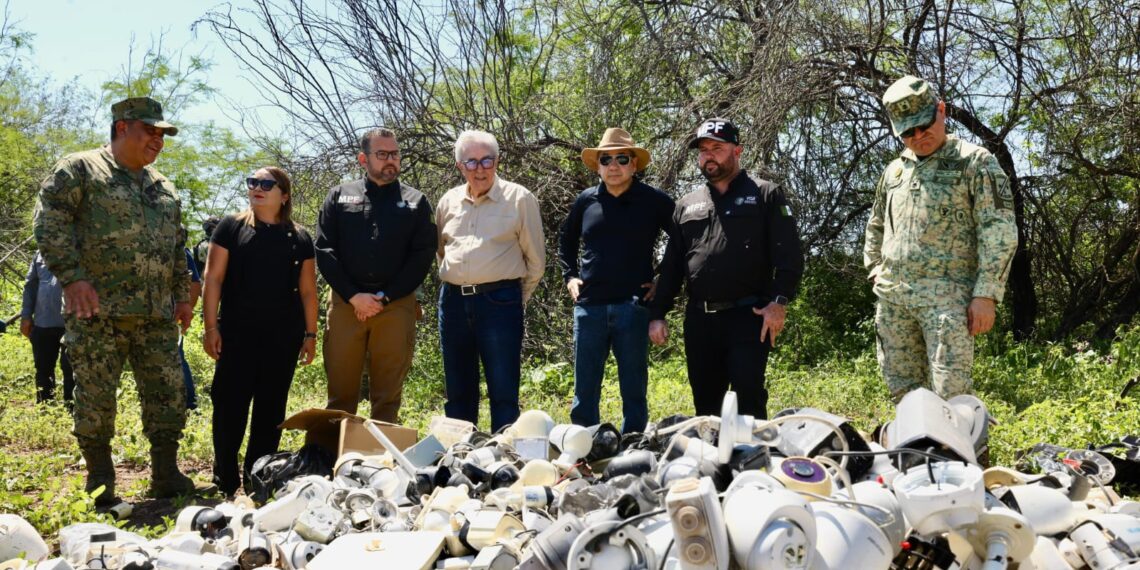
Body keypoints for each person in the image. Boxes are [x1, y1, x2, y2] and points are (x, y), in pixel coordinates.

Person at [33, 96, 207, 506]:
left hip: (155, 315)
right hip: (98, 313)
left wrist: (181, 297)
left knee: (168, 394)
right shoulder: (80, 169)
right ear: (123, 126)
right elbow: (49, 222)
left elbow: (175, 246)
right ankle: (100, 482)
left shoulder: (162, 186)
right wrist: (72, 278)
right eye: (151, 131)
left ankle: (166, 474)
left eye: (162, 135)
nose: (158, 141)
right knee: (95, 399)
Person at [863, 76, 1018, 401]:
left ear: (941, 111)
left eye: (924, 125)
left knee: (953, 396)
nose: (918, 136)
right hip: (894, 302)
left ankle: (965, 452)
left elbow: (999, 229)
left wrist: (986, 294)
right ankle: (917, 452)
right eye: (908, 131)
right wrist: (875, 266)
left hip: (947, 301)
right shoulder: (895, 171)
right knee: (904, 395)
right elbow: (877, 222)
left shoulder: (975, 162)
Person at [649, 118, 804, 419]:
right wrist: (657, 314)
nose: (709, 155)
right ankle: (713, 465)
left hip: (748, 317)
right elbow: (671, 267)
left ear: (737, 151)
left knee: (749, 402)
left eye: (717, 148)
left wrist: (779, 302)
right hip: (699, 321)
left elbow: (790, 256)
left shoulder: (765, 194)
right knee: (706, 410)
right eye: (703, 150)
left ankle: (753, 463)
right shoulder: (686, 204)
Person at [201, 166, 319, 496]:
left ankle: (258, 480)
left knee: (270, 410)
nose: (257, 188)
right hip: (236, 335)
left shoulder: (299, 237)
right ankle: (225, 479)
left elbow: (309, 291)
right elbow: (213, 279)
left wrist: (310, 335)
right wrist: (211, 327)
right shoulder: (231, 227)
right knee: (229, 407)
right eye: (252, 182)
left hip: (283, 338)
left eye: (266, 184)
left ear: (284, 195)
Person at [315, 128, 436, 423]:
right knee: (341, 394)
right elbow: (324, 249)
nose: (390, 160)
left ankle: (381, 462)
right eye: (382, 154)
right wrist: (354, 296)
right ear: (363, 159)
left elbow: (422, 256)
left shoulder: (416, 201)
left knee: (387, 395)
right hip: (347, 304)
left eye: (394, 154)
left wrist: (386, 296)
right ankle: (335, 460)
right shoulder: (339, 196)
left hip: (395, 306)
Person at [558, 128, 674, 434]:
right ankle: (584, 448)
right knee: (585, 390)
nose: (613, 165)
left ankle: (633, 445)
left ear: (634, 164)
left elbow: (685, 240)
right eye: (606, 159)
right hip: (589, 307)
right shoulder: (586, 200)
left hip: (633, 307)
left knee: (634, 388)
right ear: (597, 165)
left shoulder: (654, 201)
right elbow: (566, 241)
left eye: (622, 158)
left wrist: (663, 279)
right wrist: (569, 276)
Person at [437, 130, 545, 432]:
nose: (480, 168)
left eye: (487, 160)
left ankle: (504, 461)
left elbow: (535, 262)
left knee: (503, 391)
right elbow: (442, 252)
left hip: (500, 302)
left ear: (497, 161)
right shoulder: (447, 202)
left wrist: (511, 298)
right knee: (457, 391)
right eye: (471, 162)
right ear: (460, 166)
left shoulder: (519, 199)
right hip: (454, 302)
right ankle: (460, 458)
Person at [20, 251, 74, 405]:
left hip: (71, 324)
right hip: (43, 322)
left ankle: (71, 407)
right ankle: (45, 405)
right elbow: (30, 285)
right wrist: (26, 316)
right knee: (43, 368)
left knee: (70, 368)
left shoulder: (79, 246)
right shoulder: (40, 253)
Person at [178, 246, 201, 410]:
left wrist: (185, 310)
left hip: (169, 316)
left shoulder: (176, 246)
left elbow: (195, 284)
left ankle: (190, 403)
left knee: (176, 356)